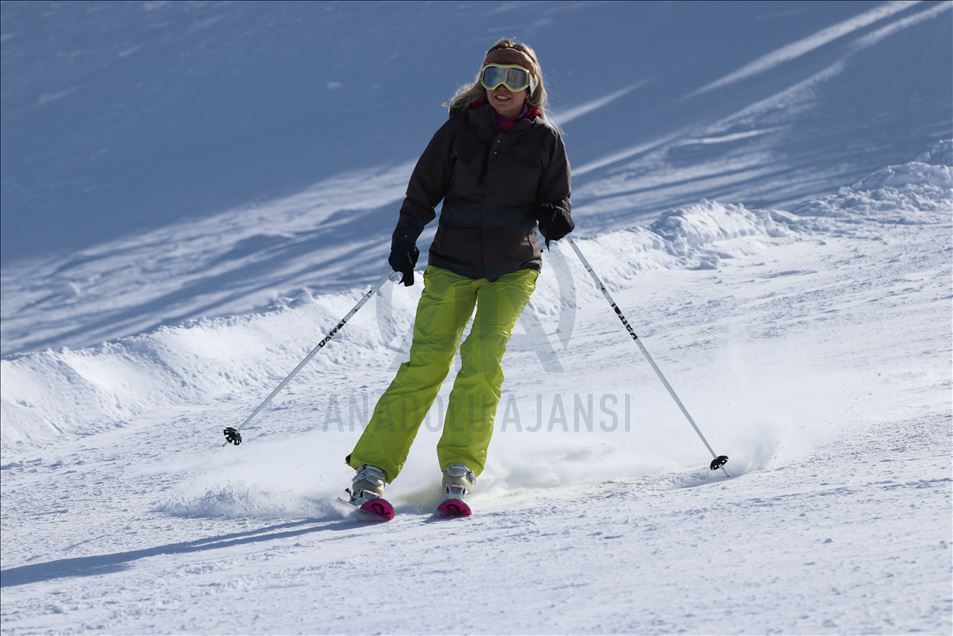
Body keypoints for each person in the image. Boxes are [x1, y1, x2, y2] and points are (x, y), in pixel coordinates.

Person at [344, 38, 574, 515]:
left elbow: (559, 199)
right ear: (481, 81)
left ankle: (459, 468)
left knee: (482, 359)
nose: (502, 87)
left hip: (512, 267)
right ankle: (372, 469)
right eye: (493, 77)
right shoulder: (457, 131)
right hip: (452, 262)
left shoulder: (545, 140)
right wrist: (405, 239)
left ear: (531, 87)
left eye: (515, 78)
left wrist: (556, 216)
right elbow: (422, 190)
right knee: (426, 362)